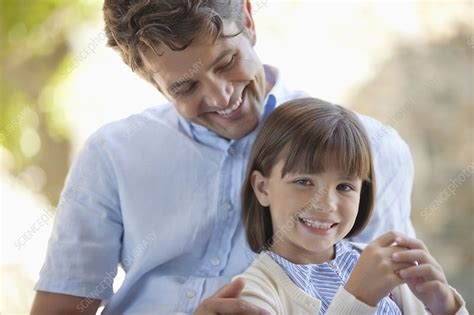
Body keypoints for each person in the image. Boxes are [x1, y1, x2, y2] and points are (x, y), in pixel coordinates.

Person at [31, 1, 415, 314]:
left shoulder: (368, 150)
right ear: (152, 81)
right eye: (184, 85)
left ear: (248, 19)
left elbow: (383, 299)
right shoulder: (111, 154)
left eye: (227, 62)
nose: (220, 97)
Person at [234, 97, 467, 314]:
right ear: (263, 188)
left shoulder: (383, 264)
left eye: (344, 186)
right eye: (304, 182)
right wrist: (359, 297)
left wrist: (443, 306)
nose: (326, 204)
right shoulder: (251, 295)